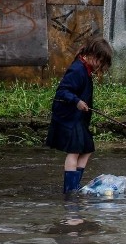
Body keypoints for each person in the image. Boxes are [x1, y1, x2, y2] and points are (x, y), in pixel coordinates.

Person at [46, 37, 113, 193]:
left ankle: (74, 185)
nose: (100, 66)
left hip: (78, 118)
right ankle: (69, 190)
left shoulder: (86, 69)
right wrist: (77, 101)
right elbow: (62, 91)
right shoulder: (77, 69)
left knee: (87, 148)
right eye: (100, 61)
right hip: (68, 117)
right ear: (92, 54)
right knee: (74, 151)